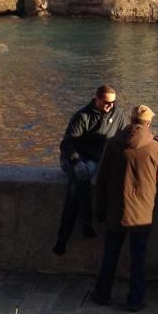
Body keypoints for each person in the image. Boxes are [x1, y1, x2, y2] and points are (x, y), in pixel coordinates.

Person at [92, 104, 158, 311]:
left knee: (110, 255)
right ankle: (135, 300)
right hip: (142, 213)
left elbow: (102, 179)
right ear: (149, 123)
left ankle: (102, 294)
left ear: (130, 119)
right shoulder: (155, 147)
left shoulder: (112, 143)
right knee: (138, 258)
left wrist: (99, 210)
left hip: (115, 210)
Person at [53, 85, 124, 256]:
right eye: (107, 103)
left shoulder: (118, 114)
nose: (110, 106)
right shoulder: (82, 116)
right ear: (96, 99)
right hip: (75, 159)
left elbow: (122, 137)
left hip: (96, 160)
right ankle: (83, 224)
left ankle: (66, 235)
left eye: (113, 103)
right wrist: (77, 161)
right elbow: (67, 144)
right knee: (79, 178)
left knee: (77, 187)